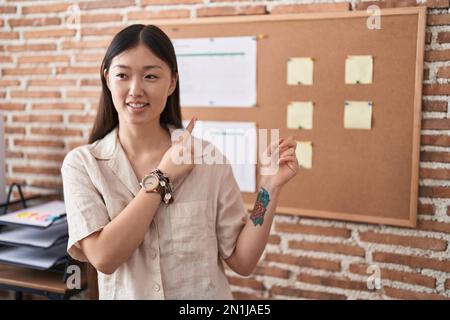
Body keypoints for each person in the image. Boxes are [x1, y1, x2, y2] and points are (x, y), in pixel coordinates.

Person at [61, 24, 298, 299]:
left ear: (172, 82)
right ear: (107, 78)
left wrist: (268, 190)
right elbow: (104, 257)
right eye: (123, 75)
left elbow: (243, 261)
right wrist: (163, 177)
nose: (135, 89)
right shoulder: (83, 165)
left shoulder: (209, 160)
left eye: (151, 76)